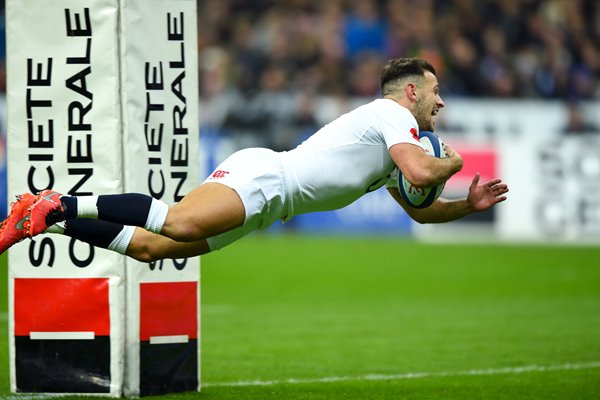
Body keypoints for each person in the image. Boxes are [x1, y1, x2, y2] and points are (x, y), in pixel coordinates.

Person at [0, 57, 508, 260]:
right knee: (175, 222)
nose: (441, 102)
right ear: (412, 91)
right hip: (267, 178)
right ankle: (60, 202)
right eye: (436, 92)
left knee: (152, 250)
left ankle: (44, 220)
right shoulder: (393, 115)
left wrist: (467, 203)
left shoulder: (399, 143)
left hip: (270, 203)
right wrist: (453, 163)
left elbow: (419, 206)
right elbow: (424, 171)